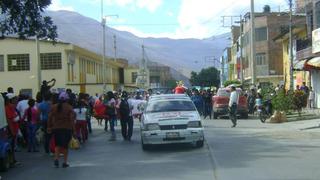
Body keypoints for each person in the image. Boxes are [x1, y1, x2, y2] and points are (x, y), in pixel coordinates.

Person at [48, 92, 75, 168]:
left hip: (56, 128)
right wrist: (74, 130)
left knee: (57, 144)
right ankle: (65, 162)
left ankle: (56, 158)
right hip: (67, 128)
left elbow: (49, 117)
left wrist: (49, 127)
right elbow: (71, 119)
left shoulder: (54, 107)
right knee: (65, 146)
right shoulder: (69, 107)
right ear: (67, 99)